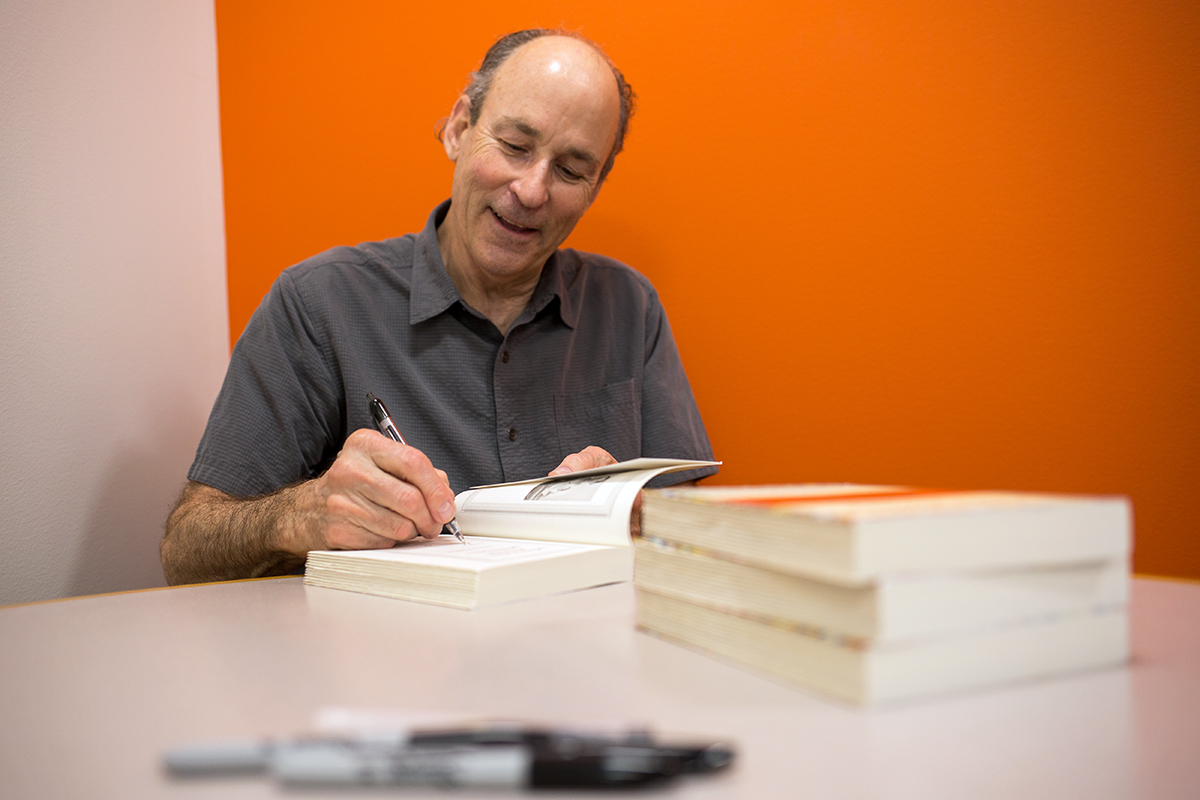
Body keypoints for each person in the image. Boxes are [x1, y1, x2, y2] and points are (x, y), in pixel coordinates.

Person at [160, 29, 716, 585]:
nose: (531, 190)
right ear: (458, 128)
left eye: (570, 171)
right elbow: (185, 549)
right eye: (515, 146)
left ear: (596, 186)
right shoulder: (318, 304)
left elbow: (703, 543)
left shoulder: (630, 307)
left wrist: (639, 515)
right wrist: (301, 515)